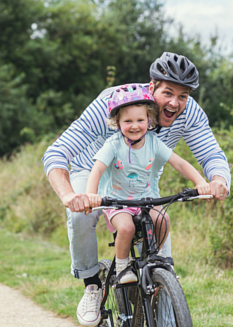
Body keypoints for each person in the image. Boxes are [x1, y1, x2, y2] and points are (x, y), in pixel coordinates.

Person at [42, 52, 230, 327]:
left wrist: (218, 180)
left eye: (183, 96)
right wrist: (70, 196)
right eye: (168, 93)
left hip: (141, 183)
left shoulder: (188, 113)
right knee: (82, 216)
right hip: (93, 172)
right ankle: (93, 286)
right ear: (152, 87)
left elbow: (211, 153)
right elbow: (57, 153)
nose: (174, 103)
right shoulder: (113, 103)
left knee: (163, 262)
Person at [85, 85, 211, 285]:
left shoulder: (153, 142)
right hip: (118, 202)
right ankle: (122, 266)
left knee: (163, 220)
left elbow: (179, 163)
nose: (135, 126)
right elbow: (97, 170)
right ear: (117, 123)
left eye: (140, 120)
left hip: (147, 199)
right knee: (125, 228)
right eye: (128, 121)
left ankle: (158, 260)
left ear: (149, 120)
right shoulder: (113, 145)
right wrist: (90, 195)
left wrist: (200, 182)